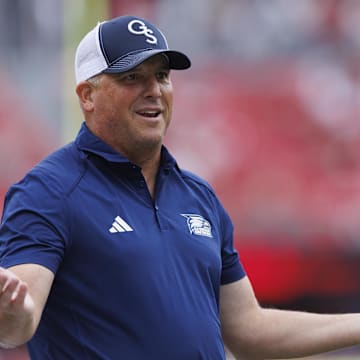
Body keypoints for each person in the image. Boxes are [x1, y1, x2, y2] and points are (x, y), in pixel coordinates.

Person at [0, 14, 360, 360]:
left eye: (161, 76)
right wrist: (11, 309)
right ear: (87, 95)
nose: (153, 90)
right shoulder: (48, 192)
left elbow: (250, 330)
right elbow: (19, 320)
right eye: (132, 78)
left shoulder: (198, 196)